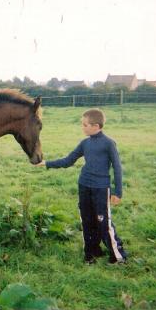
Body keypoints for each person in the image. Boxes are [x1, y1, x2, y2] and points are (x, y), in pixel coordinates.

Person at [35, 108, 127, 264]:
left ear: (96, 126)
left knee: (103, 222)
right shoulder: (85, 143)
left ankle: (118, 256)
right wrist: (47, 163)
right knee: (87, 221)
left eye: (85, 125)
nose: (82, 127)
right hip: (84, 185)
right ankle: (91, 253)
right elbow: (69, 160)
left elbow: (117, 168)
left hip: (101, 189)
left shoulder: (109, 144)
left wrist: (117, 192)